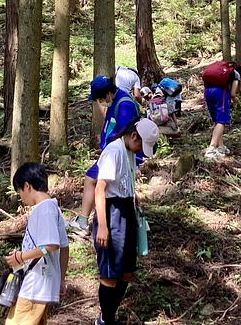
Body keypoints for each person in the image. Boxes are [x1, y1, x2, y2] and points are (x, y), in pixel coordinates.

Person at [93, 118, 159, 325]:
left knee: (126, 271)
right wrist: (103, 227)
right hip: (111, 214)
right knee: (111, 273)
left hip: (126, 210)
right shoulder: (114, 152)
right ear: (133, 136)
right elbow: (99, 189)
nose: (140, 150)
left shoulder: (129, 151)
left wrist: (132, 193)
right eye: (141, 145)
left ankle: (108, 313)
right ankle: (107, 320)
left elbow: (123, 179)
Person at [66, 76, 142, 236]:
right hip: (112, 153)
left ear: (108, 93)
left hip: (116, 155)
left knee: (92, 180)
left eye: (100, 98)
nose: (100, 101)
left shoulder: (124, 106)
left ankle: (84, 222)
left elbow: (134, 135)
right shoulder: (117, 99)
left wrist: (136, 163)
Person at [4, 162, 69, 325]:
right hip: (43, 282)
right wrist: (61, 279)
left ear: (27, 186)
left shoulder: (44, 209)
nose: (21, 197)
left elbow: (50, 245)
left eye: (19, 192)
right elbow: (64, 247)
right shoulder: (53, 207)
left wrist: (21, 256)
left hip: (36, 284)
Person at [203, 61, 241, 159]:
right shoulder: (235, 73)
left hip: (207, 91)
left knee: (217, 120)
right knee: (222, 121)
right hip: (220, 92)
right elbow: (233, 94)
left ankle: (221, 147)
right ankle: (211, 150)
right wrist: (236, 101)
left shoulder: (218, 69)